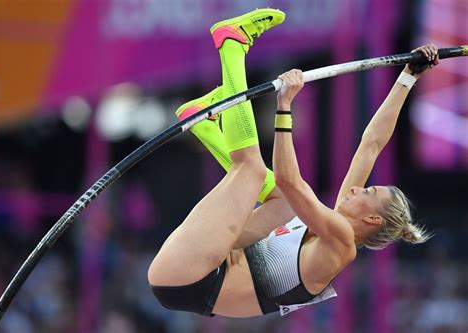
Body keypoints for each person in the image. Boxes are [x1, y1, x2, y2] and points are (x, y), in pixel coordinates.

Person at [147, 8, 436, 317]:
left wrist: (284, 106)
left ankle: (231, 46)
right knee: (284, 202)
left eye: (368, 193)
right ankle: (203, 123)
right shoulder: (332, 224)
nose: (358, 189)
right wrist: (408, 77)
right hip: (202, 268)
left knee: (252, 170)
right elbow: (372, 144)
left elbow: (288, 179)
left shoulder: (340, 240)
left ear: (372, 220)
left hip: (192, 277)